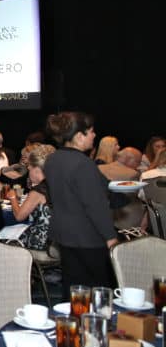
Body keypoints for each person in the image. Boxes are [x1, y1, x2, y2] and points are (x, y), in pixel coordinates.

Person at [43, 111, 117, 295]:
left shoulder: (53, 159)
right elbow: (95, 205)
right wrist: (110, 237)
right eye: (91, 131)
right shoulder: (83, 164)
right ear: (78, 136)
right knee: (98, 292)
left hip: (64, 234)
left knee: (73, 289)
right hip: (88, 236)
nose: (94, 135)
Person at [8, 144, 56, 251]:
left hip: (40, 242)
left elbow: (19, 216)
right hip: (56, 242)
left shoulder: (38, 191)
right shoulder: (58, 185)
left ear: (37, 169)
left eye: (30, 166)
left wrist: (13, 198)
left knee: (2, 238)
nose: (28, 168)